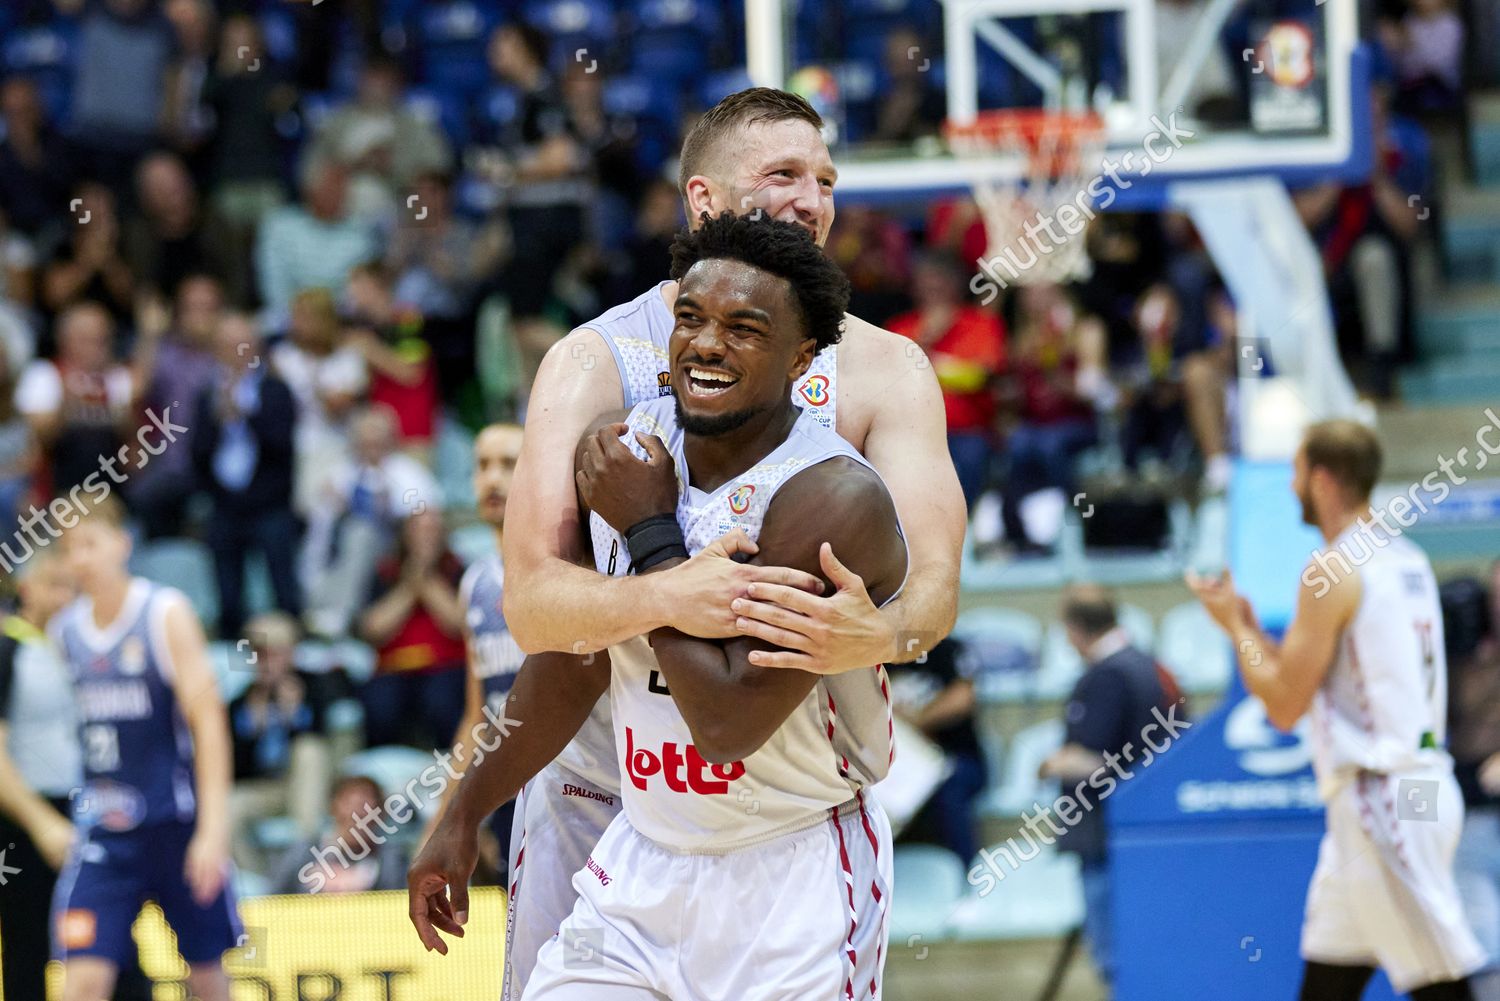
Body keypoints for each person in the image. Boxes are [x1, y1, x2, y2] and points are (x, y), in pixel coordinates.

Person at [463, 86, 965, 999]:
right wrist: (669, 588)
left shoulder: (884, 367)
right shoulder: (594, 362)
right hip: (604, 789)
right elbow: (535, 608)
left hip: (779, 805)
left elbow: (934, 590)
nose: (813, 199)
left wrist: (885, 637)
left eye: (826, 180)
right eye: (784, 175)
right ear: (702, 202)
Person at [1188, 419, 1485, 1001]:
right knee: (1329, 982)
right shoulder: (1407, 558)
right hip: (1414, 787)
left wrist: (1234, 628)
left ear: (1322, 479)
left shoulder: (1331, 569)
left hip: (1384, 798)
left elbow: (1283, 704)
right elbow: (1327, 677)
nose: (1292, 486)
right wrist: (1251, 630)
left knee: (1441, 983)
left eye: (1296, 472)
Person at [50, 492, 238, 1001]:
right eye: (70, 548)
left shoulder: (163, 613)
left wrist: (213, 829)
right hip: (104, 833)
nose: (80, 558)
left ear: (123, 543)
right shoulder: (64, 630)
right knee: (80, 981)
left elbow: (209, 722)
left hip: (175, 825)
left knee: (207, 977)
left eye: (90, 543)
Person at [1039, 583, 1180, 991]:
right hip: (1138, 831)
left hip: (1105, 836)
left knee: (1113, 956)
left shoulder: (1107, 677)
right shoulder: (1151, 667)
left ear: (1075, 629)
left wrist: (1050, 764)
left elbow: (1095, 761)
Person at [426, 424, 527, 866]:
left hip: (572, 784)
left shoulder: (571, 568)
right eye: (483, 466)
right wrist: (445, 821)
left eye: (508, 465)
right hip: (507, 791)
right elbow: (477, 719)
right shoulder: (476, 584)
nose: (492, 479)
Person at [0, 550, 80, 1001]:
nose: (65, 595)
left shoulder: (69, 646)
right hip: (24, 816)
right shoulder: (8, 646)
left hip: (74, 809)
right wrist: (40, 822)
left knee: (99, 946)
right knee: (28, 949)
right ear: (26, 588)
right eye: (54, 584)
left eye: (70, 586)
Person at [193, 313, 301, 638]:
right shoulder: (207, 395)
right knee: (227, 590)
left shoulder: (275, 390)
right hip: (226, 504)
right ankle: (233, 652)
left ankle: (290, 649)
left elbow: (283, 446)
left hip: (270, 503)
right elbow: (197, 453)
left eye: (241, 345)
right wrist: (218, 420)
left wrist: (247, 417)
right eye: (225, 346)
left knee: (282, 584)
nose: (234, 353)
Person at [887, 250, 1007, 507]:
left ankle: (969, 525)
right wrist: (926, 342)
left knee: (971, 456)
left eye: (939, 279)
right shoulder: (900, 327)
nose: (933, 286)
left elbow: (980, 377)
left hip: (968, 432)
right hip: (911, 432)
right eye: (926, 280)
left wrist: (925, 361)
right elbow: (889, 379)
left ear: (956, 284)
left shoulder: (981, 323)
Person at [356, 508, 468, 749]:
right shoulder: (385, 572)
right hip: (394, 667)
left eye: (432, 530)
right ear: (405, 534)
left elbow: (459, 625)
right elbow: (372, 628)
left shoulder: (457, 570)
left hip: (445, 666)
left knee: (443, 702)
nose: (426, 537)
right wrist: (409, 585)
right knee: (380, 706)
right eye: (420, 530)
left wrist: (426, 582)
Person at [887, 637, 986, 866]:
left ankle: (967, 874)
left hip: (955, 757)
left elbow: (963, 697)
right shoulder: (878, 651)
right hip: (898, 764)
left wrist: (914, 720)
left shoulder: (947, 647)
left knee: (949, 787)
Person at [272, 774, 410, 895]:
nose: (358, 813)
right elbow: (274, 898)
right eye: (351, 804)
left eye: (366, 805)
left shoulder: (391, 858)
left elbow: (399, 903)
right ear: (333, 807)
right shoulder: (303, 852)